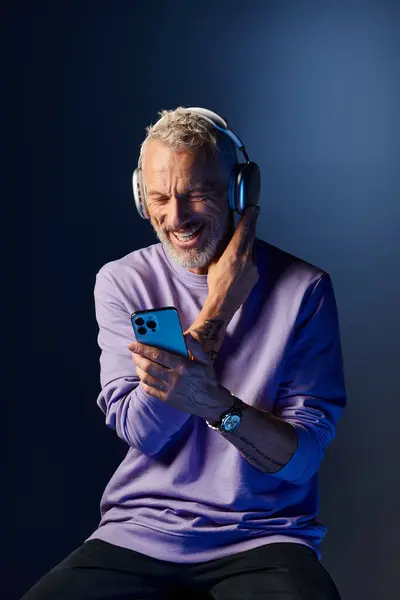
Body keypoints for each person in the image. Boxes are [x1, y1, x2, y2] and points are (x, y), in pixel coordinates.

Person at [22, 107, 346, 599]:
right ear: (141, 199)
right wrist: (218, 307)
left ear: (240, 191)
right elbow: (143, 432)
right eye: (159, 198)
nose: (177, 217)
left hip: (262, 538)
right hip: (138, 532)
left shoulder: (304, 290)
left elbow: (300, 461)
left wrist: (219, 408)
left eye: (198, 193)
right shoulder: (124, 282)